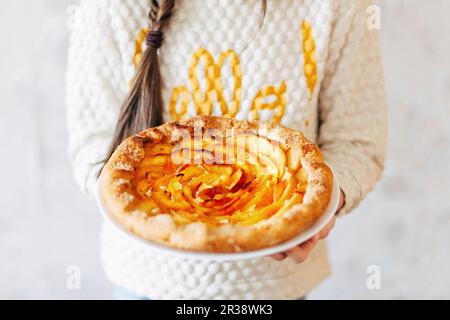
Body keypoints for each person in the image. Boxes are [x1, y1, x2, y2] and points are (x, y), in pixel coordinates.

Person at [66, 0, 387, 299]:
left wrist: (323, 211)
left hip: (277, 286)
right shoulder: (111, 6)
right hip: (145, 282)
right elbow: (91, 145)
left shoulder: (339, 6)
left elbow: (357, 144)